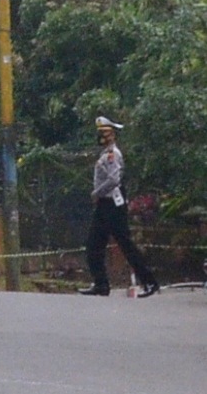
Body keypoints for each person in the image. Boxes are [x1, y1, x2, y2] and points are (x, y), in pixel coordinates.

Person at [78, 117, 159, 298]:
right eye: (100, 133)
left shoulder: (114, 154)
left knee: (125, 244)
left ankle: (150, 282)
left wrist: (96, 193)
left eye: (105, 133)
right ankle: (101, 284)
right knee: (93, 245)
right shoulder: (105, 154)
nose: (102, 136)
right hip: (104, 204)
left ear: (113, 135)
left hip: (113, 204)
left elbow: (114, 180)